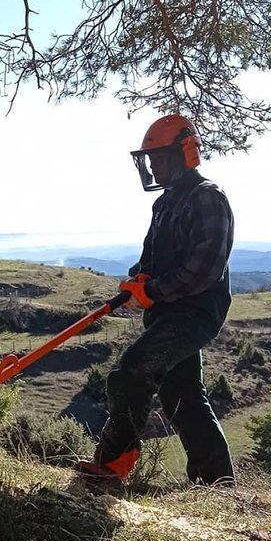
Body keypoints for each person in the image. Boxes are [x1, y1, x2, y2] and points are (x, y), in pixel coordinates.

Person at [76, 114, 235, 486]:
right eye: (149, 160)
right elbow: (151, 259)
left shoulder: (208, 198)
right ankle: (216, 482)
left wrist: (154, 291)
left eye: (160, 158)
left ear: (185, 154)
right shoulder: (165, 204)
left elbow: (205, 269)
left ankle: (114, 461)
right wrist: (137, 280)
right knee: (182, 394)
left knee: (132, 371)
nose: (153, 166)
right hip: (167, 310)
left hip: (195, 311)